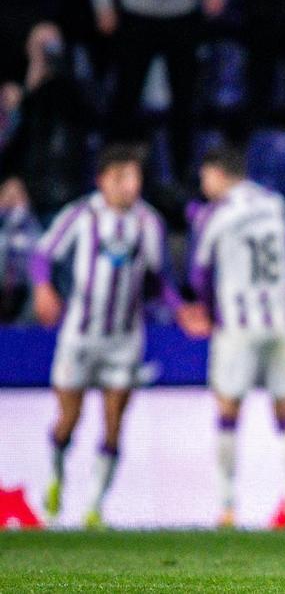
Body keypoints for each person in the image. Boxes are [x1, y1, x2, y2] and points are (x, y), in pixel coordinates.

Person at [31, 145, 207, 528]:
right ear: (103, 180)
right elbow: (42, 255)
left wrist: (180, 310)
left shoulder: (148, 223)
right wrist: (43, 289)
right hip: (80, 334)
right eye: (123, 178)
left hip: (124, 339)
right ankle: (56, 476)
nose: (131, 186)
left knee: (113, 422)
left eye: (136, 177)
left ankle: (94, 506)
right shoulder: (81, 215)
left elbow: (160, 280)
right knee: (69, 417)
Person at [188, 147, 285, 528]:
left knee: (227, 412)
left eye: (206, 176)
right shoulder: (275, 203)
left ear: (219, 173)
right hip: (281, 319)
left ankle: (226, 506)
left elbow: (200, 273)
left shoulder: (216, 213)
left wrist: (206, 308)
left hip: (239, 324)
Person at [90, 0, 234, 181]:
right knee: (125, 98)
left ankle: (183, 176)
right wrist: (103, 4)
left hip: (184, 15)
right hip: (135, 13)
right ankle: (113, 171)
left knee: (185, 101)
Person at [0, 22, 93, 226]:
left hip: (68, 193)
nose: (47, 52)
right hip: (25, 196)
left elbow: (87, 116)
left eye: (52, 44)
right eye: (40, 45)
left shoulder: (73, 91)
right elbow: (8, 144)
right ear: (28, 48)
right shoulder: (15, 96)